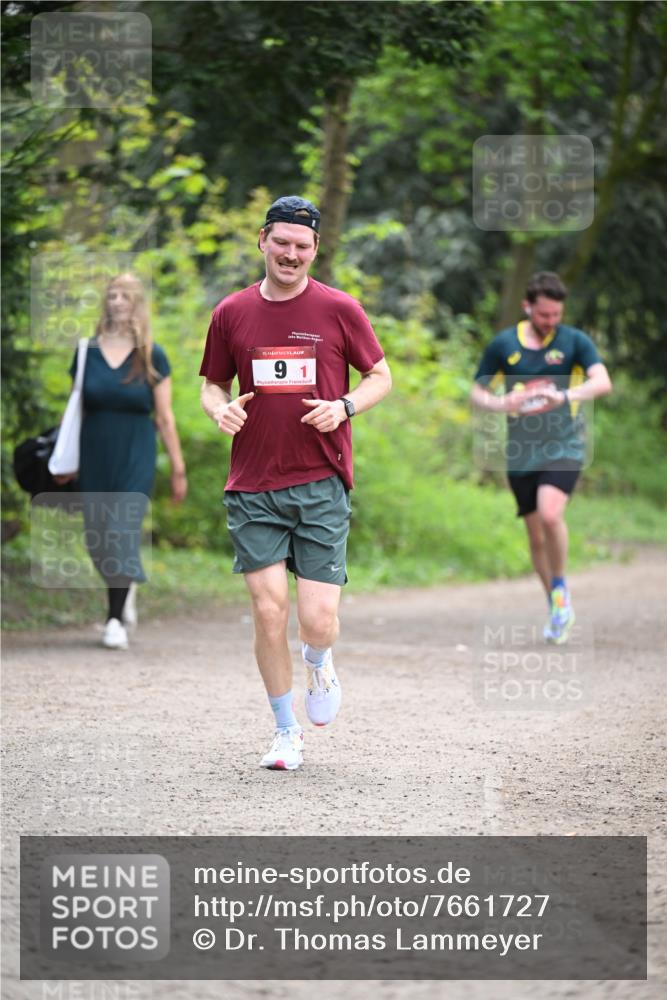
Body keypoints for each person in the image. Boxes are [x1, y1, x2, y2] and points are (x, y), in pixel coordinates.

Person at [200, 195, 391, 771]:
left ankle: (319, 660)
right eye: (281, 242)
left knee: (317, 621)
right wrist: (219, 409)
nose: (290, 254)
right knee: (267, 611)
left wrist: (345, 406)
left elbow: (380, 375)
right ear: (262, 240)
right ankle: (286, 731)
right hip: (253, 483)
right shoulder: (231, 312)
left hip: (320, 482)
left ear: (315, 249)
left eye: (301, 246)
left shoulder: (339, 308)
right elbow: (212, 384)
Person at [471, 271, 612, 643]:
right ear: (527, 307)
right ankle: (556, 606)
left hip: (565, 445)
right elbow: (477, 391)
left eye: (556, 314)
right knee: (536, 538)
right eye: (544, 314)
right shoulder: (504, 344)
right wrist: (502, 402)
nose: (551, 321)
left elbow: (602, 381)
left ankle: (561, 587)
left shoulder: (575, 341)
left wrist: (564, 396)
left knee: (551, 514)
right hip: (521, 452)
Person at [56, 272, 187, 649]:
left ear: (137, 304)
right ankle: (123, 586)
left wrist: (178, 468)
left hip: (136, 452)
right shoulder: (86, 352)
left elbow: (165, 417)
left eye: (125, 296)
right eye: (112, 295)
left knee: (121, 530)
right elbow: (75, 410)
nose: (117, 302)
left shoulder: (151, 354)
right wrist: (65, 459)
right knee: (97, 538)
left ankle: (114, 619)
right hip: (94, 453)